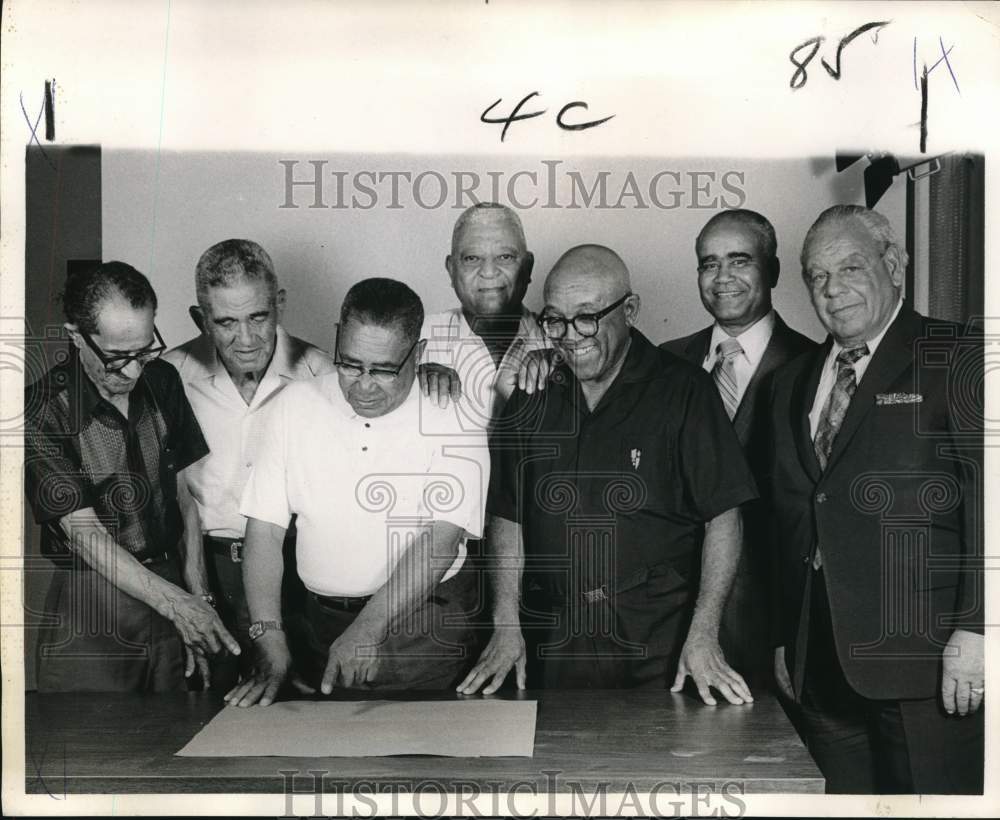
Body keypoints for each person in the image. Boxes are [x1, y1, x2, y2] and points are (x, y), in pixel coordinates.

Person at [458, 245, 758, 703]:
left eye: (586, 317)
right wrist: (504, 626)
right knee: (557, 769)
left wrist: (704, 634)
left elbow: (724, 516)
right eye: (554, 319)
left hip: (661, 641)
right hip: (555, 640)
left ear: (630, 310)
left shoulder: (684, 390)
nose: (570, 335)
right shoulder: (531, 396)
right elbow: (507, 515)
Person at [768, 205, 984, 793]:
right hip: (822, 667)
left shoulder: (957, 355)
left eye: (850, 269)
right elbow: (797, 513)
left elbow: (991, 501)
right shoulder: (791, 382)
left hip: (928, 665)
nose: (832, 291)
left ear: (894, 264)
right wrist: (789, 637)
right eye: (817, 277)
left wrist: (979, 629)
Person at [226, 278, 490, 707]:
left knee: (418, 763)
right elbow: (264, 530)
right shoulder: (293, 406)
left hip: (421, 630)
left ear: (418, 355)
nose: (364, 386)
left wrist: (369, 629)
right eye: (350, 365)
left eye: (384, 370)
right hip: (318, 625)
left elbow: (440, 541)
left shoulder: (454, 416)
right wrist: (269, 637)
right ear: (336, 339)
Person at [23, 261, 239, 691]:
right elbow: (86, 536)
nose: (134, 371)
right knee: (96, 744)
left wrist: (196, 595)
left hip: (172, 578)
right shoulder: (42, 410)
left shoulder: (163, 379)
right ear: (76, 336)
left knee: (184, 731)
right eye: (118, 357)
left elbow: (183, 496)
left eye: (144, 351)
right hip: (95, 600)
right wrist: (177, 605)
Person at [165, 239, 336, 692]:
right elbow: (171, 491)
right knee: (210, 709)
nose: (246, 339)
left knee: (305, 706)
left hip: (298, 575)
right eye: (226, 322)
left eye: (258, 317)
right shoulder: (170, 375)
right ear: (201, 319)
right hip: (205, 571)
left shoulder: (322, 372)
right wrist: (196, 593)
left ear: (279, 303)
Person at [661, 210, 816, 688]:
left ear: (771, 270)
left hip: (765, 627)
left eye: (739, 260)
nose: (722, 277)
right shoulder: (664, 361)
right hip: (660, 626)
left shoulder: (815, 366)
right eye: (709, 264)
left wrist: (791, 636)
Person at [421, 202, 549, 430]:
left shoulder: (562, 344)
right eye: (472, 258)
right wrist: (409, 381)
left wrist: (564, 373)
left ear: (528, 267)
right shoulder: (414, 340)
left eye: (505, 257)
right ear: (451, 270)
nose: (489, 272)